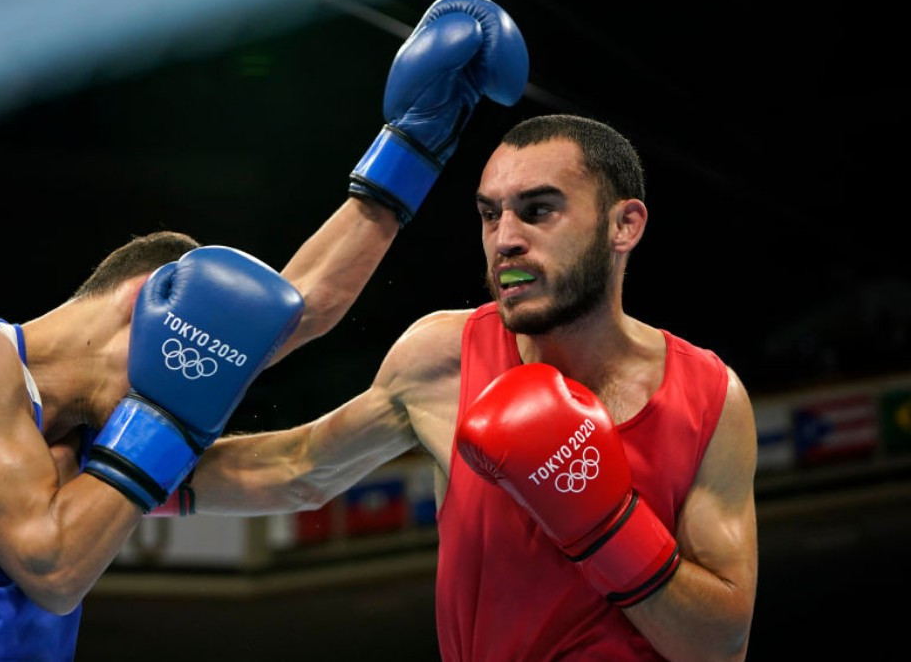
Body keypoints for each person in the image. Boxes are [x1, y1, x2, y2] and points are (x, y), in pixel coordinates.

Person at [0, 0, 530, 661]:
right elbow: (51, 564)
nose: (194, 379)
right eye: (185, 354)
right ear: (140, 300)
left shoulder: (111, 448)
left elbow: (295, 455)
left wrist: (413, 150)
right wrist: (162, 415)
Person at [182, 112, 759, 661]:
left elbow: (718, 645)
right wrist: (115, 471)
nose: (505, 238)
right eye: (490, 214)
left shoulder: (708, 395)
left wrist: (605, 525)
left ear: (623, 225)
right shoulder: (445, 358)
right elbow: (296, 467)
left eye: (537, 211)